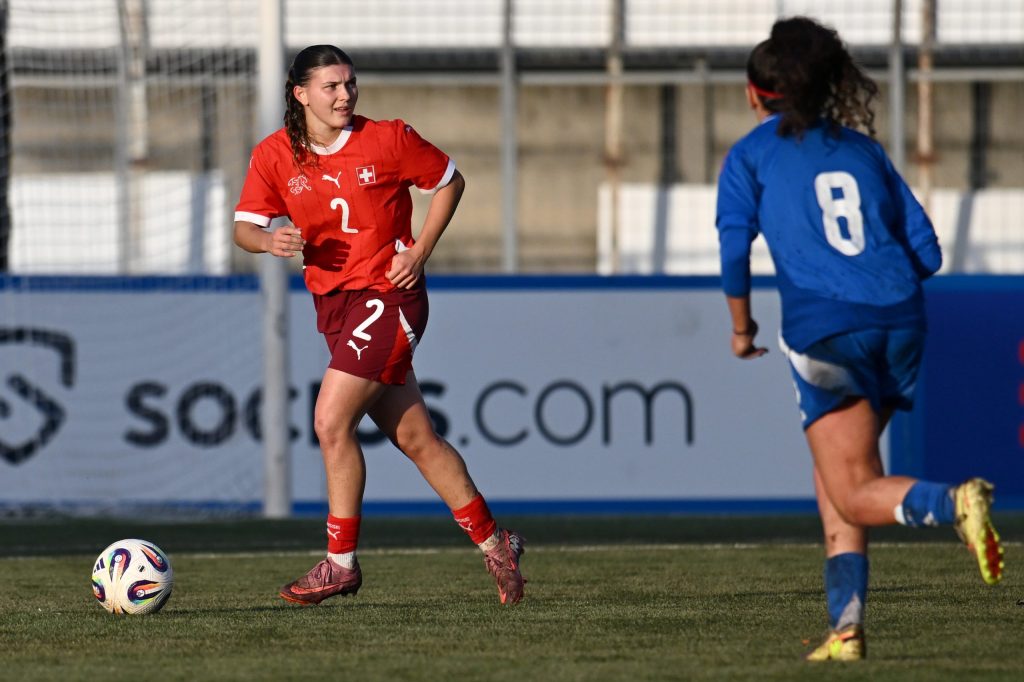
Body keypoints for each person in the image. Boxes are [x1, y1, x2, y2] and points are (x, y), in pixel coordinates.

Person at [715, 17, 1004, 661]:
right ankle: (845, 629)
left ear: (755, 94)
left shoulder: (750, 156)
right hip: (901, 321)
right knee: (840, 476)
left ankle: (952, 503)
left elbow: (734, 251)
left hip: (827, 329)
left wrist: (741, 329)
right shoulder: (865, 152)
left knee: (850, 487)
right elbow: (927, 252)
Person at [233, 45, 525, 606]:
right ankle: (498, 543)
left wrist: (419, 251)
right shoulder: (274, 154)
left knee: (329, 420)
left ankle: (340, 563)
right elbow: (244, 227)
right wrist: (268, 240)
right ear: (300, 94)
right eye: (331, 86)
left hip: (390, 296)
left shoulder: (388, 138)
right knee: (416, 438)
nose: (345, 95)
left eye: (350, 83)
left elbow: (450, 182)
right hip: (336, 307)